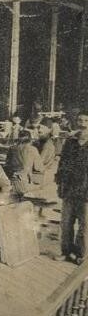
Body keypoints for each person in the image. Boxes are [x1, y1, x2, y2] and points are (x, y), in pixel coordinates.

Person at [55, 110, 88, 263]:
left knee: (84, 225)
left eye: (86, 121)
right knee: (66, 222)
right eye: (80, 120)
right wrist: (60, 184)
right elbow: (62, 164)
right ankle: (66, 252)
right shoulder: (70, 142)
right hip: (69, 188)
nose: (83, 124)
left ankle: (81, 255)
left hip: (86, 190)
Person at [5, 130, 43, 195]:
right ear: (30, 139)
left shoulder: (11, 148)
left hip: (13, 180)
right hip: (25, 181)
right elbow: (38, 167)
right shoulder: (33, 149)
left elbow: (7, 164)